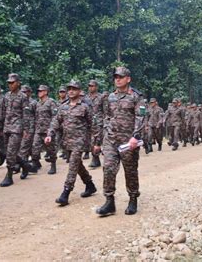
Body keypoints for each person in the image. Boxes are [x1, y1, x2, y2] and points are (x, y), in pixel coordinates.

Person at [95, 67, 145, 216]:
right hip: (111, 139)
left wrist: (135, 137)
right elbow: (107, 116)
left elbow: (141, 117)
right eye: (115, 77)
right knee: (108, 167)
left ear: (128, 79)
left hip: (128, 141)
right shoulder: (110, 97)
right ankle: (109, 201)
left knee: (130, 170)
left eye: (121, 77)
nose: (117, 79)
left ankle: (133, 198)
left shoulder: (136, 97)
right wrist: (105, 132)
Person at [45, 80, 97, 206]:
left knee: (73, 165)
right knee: (77, 165)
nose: (71, 91)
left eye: (74, 88)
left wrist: (96, 142)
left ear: (79, 91)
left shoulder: (85, 107)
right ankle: (90, 185)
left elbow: (93, 125)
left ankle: (66, 192)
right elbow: (56, 121)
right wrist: (50, 134)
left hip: (80, 141)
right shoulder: (63, 106)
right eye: (69, 89)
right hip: (67, 141)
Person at [0, 73, 32, 187]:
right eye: (8, 83)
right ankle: (24, 165)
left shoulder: (23, 97)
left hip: (17, 128)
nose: (10, 85)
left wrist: (26, 129)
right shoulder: (6, 96)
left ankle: (9, 176)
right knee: (9, 151)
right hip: (7, 127)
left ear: (18, 83)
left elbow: (26, 114)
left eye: (12, 82)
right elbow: (2, 112)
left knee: (11, 152)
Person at [30, 85, 58, 175]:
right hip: (38, 130)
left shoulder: (51, 102)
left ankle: (53, 165)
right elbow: (35, 117)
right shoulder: (37, 104)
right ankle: (34, 165)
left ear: (46, 92)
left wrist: (52, 130)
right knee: (35, 147)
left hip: (48, 130)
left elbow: (55, 116)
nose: (39, 92)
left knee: (51, 149)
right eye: (38, 91)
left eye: (41, 91)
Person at [85, 79, 104, 167]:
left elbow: (105, 110)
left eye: (92, 86)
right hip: (89, 122)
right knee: (90, 141)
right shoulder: (86, 98)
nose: (90, 87)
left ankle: (95, 158)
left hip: (99, 122)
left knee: (96, 140)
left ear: (96, 87)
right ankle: (96, 159)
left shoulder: (101, 97)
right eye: (89, 86)